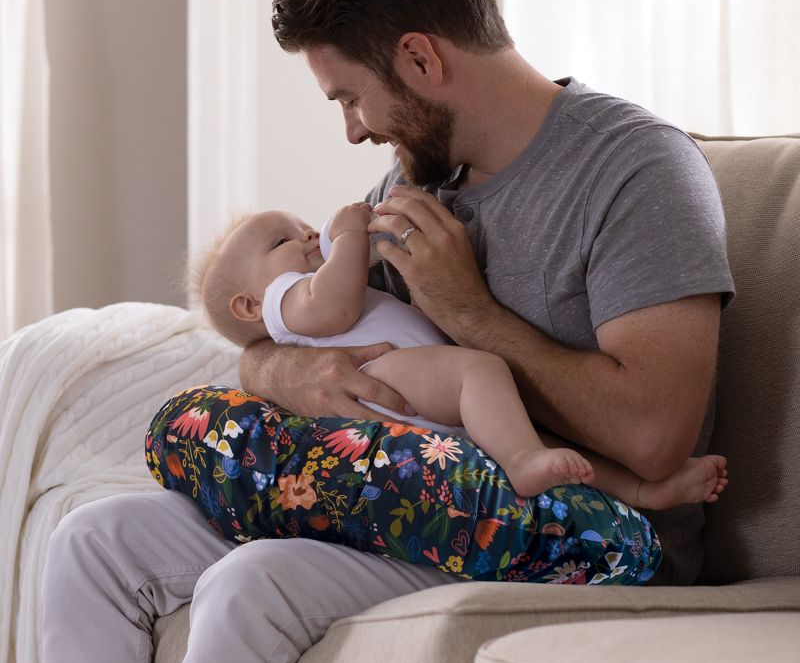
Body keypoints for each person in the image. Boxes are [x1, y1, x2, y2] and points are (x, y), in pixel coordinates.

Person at [42, 0, 735, 663]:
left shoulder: (636, 173)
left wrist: (469, 310)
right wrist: (285, 374)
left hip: (566, 538)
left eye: (348, 96)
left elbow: (654, 438)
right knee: (94, 540)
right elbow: (301, 332)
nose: (352, 130)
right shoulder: (417, 178)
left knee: (251, 584)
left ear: (420, 58)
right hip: (391, 501)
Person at [195, 202, 727, 508]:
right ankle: (522, 464)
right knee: (482, 372)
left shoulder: (307, 278)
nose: (308, 233)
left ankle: (639, 490)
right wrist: (348, 233)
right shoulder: (285, 299)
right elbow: (332, 309)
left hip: (419, 385)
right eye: (282, 240)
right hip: (380, 377)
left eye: (301, 224)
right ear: (248, 305)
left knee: (525, 425)